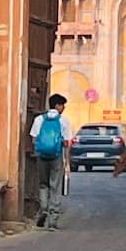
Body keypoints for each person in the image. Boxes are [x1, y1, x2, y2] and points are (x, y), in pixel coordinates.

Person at [29, 93, 73, 230]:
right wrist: (67, 161)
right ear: (57, 105)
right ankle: (53, 220)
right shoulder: (63, 121)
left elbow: (34, 138)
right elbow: (67, 142)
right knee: (55, 186)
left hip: (42, 156)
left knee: (43, 185)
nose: (64, 108)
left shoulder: (39, 119)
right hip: (56, 156)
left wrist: (39, 150)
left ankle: (43, 209)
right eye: (62, 105)